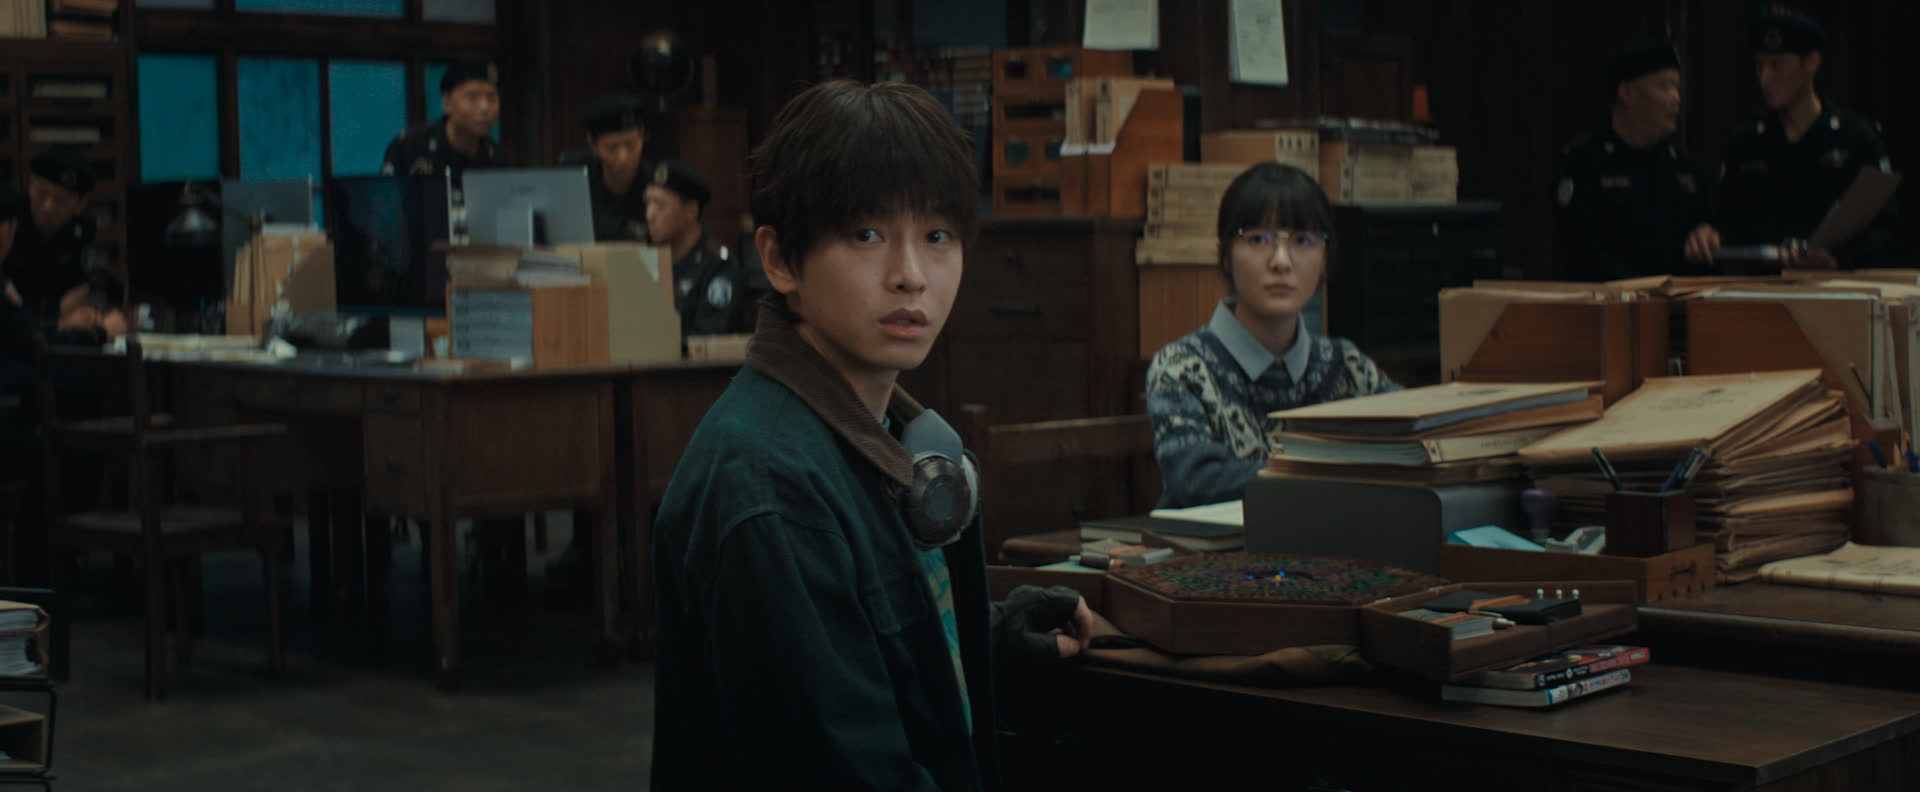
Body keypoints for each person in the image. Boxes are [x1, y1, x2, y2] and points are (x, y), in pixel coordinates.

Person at [651, 79, 1092, 791]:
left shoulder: (882, 427)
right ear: (780, 260)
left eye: (937, 236)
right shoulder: (769, 490)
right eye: (867, 235)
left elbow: (863, 639)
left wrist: (988, 634)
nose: (910, 276)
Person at [1146, 162, 1401, 509]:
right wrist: (1329, 476)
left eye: (1303, 240)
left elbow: (1416, 443)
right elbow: (1195, 482)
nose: (1281, 261)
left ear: (1325, 259)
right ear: (1224, 256)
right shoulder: (1182, 368)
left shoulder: (1348, 367)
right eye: (1258, 239)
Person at [1685, 12, 1895, 269]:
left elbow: (1885, 226)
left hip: (1836, 284)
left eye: (1777, 66)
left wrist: (1838, 258)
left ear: (1811, 63)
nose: (1765, 79)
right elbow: (1722, 220)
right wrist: (1707, 233)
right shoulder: (1746, 144)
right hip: (1758, 286)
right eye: (1759, 66)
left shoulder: (1855, 139)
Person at [1553, 36, 1708, 281]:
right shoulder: (1585, 163)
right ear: (1626, 92)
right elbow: (1583, 252)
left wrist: (1705, 233)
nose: (1676, 99)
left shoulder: (1682, 169)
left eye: (1677, 88)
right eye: (1664, 87)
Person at [2, 151, 125, 341]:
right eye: (42, 193)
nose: (48, 207)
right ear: (30, 186)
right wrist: (57, 315)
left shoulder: (79, 232)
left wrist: (85, 317)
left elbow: (77, 294)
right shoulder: (8, 223)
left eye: (61, 199)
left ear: (80, 204)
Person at [645, 159, 766, 337]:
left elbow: (707, 338)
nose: (649, 215)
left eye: (659, 205)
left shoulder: (719, 268)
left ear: (691, 211)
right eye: (647, 203)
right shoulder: (648, 261)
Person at [380, 60, 503, 185]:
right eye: (472, 97)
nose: (484, 107)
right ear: (446, 101)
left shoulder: (495, 155)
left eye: (491, 98)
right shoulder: (410, 146)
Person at [558, 94, 652, 241]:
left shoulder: (657, 184)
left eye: (631, 145)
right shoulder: (576, 183)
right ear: (593, 145)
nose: (623, 157)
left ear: (643, 137)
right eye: (611, 148)